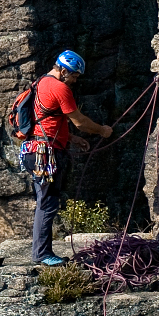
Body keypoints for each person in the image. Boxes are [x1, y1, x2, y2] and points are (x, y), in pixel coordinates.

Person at [21, 50, 113, 266]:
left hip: (35, 149)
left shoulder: (41, 82)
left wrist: (70, 138)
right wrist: (102, 131)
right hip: (46, 154)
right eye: (74, 75)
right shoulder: (60, 87)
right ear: (63, 71)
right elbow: (80, 121)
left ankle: (41, 252)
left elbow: (45, 120)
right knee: (48, 203)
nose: (75, 80)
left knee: (45, 201)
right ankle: (42, 254)